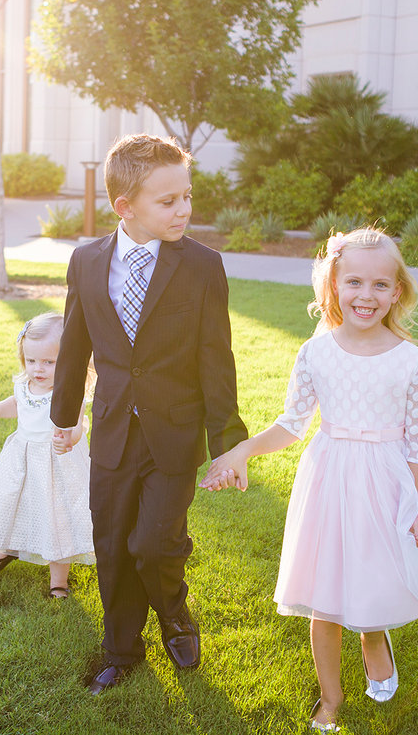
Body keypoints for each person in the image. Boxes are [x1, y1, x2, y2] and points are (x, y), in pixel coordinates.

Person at [201, 227, 418, 731]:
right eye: (354, 282)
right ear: (334, 285)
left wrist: (414, 505)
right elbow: (291, 424)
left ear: (397, 291)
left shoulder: (411, 361)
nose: (367, 295)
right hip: (328, 477)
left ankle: (373, 636)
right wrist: (244, 449)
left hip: (386, 482)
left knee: (374, 575)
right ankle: (331, 698)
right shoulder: (316, 353)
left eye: (381, 285)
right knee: (325, 592)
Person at [50, 133, 248, 695]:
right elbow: (74, 342)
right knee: (113, 544)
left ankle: (176, 617)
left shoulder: (202, 266)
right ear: (125, 207)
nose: (184, 209)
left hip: (174, 434)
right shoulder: (87, 261)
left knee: (155, 544)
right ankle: (120, 650)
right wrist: (65, 414)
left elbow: (217, 356)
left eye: (187, 196)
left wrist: (228, 443)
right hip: (112, 431)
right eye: (168, 202)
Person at [0, 312, 95, 600]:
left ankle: (58, 581)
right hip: (21, 459)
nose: (38, 369)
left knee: (57, 517)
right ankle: (3, 549)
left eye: (49, 362)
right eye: (31, 361)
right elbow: (16, 403)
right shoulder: (25, 385)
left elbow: (77, 425)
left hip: (56, 463)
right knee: (10, 503)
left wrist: (70, 439)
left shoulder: (68, 391)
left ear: (68, 362)